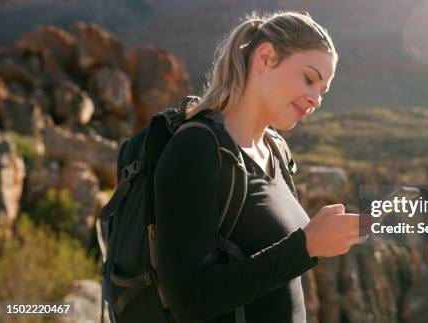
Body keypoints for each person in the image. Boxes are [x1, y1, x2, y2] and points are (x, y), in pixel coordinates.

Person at [154, 11, 362, 323]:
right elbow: (190, 300)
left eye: (323, 90)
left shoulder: (276, 151)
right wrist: (307, 245)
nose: (317, 99)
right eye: (309, 78)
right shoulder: (197, 149)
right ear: (265, 58)